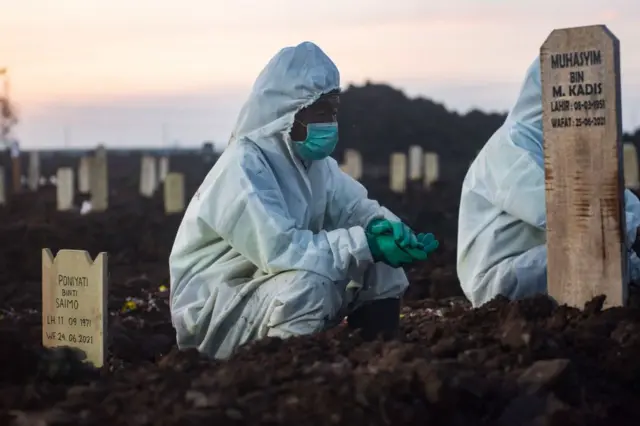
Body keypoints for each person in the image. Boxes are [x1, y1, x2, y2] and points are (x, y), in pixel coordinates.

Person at [169, 41, 439, 359]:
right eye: (320, 111)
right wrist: (365, 243)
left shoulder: (312, 165)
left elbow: (355, 207)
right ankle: (283, 376)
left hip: (265, 288)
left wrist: (387, 228)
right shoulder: (244, 166)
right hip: (218, 305)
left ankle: (376, 362)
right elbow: (282, 250)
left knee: (381, 268)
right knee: (310, 287)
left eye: (334, 112)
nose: (330, 122)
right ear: (289, 111)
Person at [457, 57, 640, 308]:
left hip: (539, 261)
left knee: (610, 253)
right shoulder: (511, 147)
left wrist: (635, 222)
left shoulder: (565, 148)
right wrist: (632, 231)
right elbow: (559, 211)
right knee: (602, 253)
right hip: (499, 281)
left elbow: (612, 196)